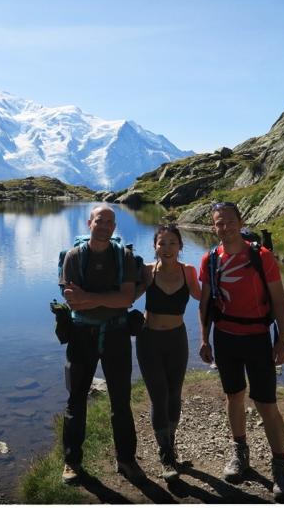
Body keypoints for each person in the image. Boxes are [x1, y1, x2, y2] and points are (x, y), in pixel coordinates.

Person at [197, 202, 284, 501]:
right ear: (213, 227)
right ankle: (240, 452)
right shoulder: (210, 260)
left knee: (266, 403)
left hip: (257, 338)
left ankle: (280, 465)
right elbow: (205, 304)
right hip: (226, 338)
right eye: (218, 223)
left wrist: (283, 340)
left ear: (240, 222)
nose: (224, 228)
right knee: (233, 397)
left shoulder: (260, 256)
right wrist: (204, 338)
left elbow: (279, 301)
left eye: (229, 222)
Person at [59, 205, 144, 485]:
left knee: (121, 401)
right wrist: (110, 298)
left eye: (110, 221)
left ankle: (126, 460)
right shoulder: (73, 257)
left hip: (116, 335)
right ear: (89, 223)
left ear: (114, 225)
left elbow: (127, 299)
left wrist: (90, 298)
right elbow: (73, 301)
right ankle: (72, 462)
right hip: (81, 336)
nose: (105, 225)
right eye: (100, 221)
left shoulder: (124, 256)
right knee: (76, 400)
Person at [133, 223, 201, 482]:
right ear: (155, 247)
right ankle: (166, 456)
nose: (167, 248)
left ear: (181, 246)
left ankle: (170, 446)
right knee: (158, 395)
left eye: (172, 242)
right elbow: (129, 297)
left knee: (175, 394)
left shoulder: (189, 272)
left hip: (177, 339)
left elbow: (203, 297)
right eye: (162, 243)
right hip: (149, 339)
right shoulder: (148, 271)